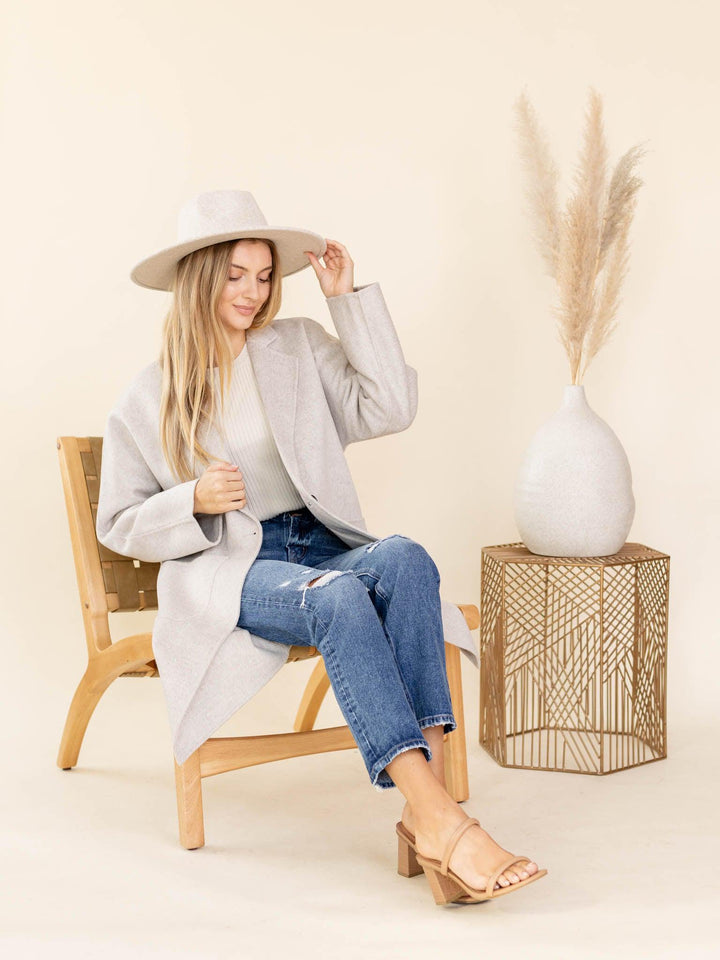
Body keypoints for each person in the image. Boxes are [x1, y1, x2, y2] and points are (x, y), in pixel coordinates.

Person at [96, 190, 547, 905]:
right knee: (336, 598)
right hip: (236, 568)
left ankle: (426, 812)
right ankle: (441, 818)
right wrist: (192, 501)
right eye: (235, 275)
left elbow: (390, 407)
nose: (252, 292)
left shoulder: (297, 347)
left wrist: (346, 303)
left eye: (263, 276)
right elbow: (118, 521)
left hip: (320, 543)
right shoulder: (149, 395)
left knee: (406, 558)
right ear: (199, 277)